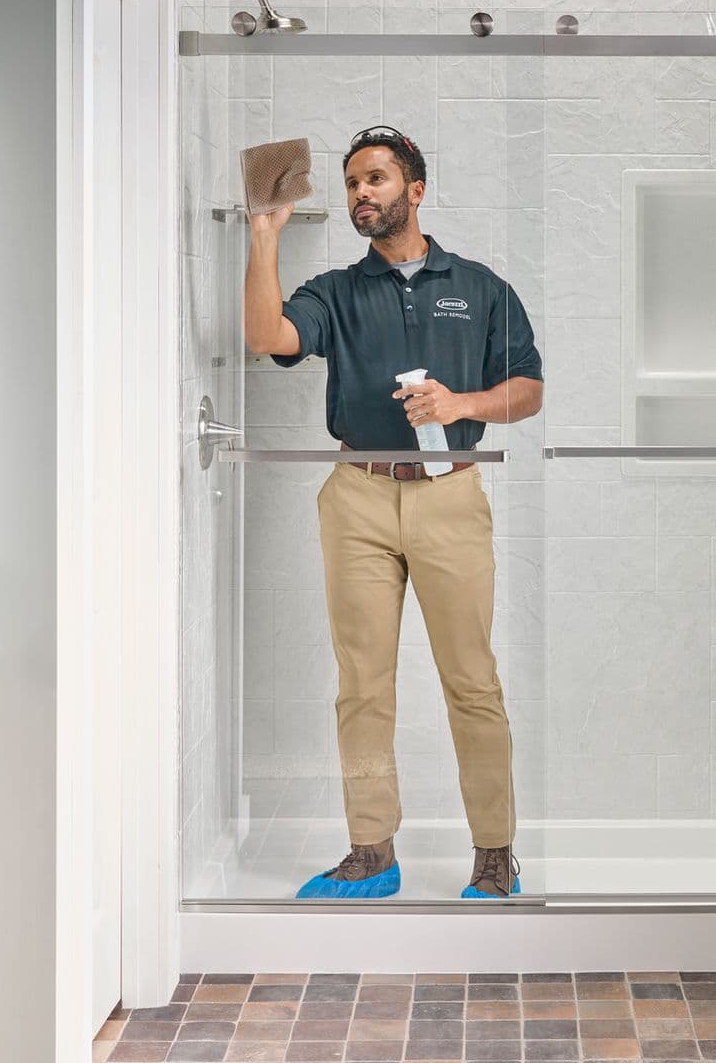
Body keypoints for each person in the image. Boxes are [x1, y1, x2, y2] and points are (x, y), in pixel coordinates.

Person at [243, 124, 543, 900]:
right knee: (363, 684)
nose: (359, 195)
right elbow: (265, 334)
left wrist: (463, 400)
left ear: (414, 191)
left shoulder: (479, 288)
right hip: (358, 499)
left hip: (450, 494)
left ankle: (493, 852)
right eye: (350, 184)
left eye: (374, 180)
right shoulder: (335, 293)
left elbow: (529, 389)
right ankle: (371, 849)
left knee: (472, 680)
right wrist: (265, 235)